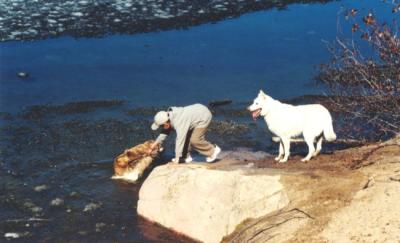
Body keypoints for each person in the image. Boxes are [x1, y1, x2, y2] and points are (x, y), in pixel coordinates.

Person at [149, 103, 221, 163]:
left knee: (195, 140)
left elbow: (180, 139)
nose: (161, 128)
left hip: (203, 116)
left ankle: (213, 150)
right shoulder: (169, 118)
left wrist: (177, 159)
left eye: (161, 126)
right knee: (186, 137)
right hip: (195, 114)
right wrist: (154, 145)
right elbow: (164, 133)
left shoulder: (179, 122)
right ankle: (185, 157)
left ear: (166, 123)